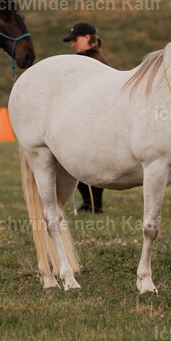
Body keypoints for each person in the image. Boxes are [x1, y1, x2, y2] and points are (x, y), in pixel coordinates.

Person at [63, 22, 109, 213]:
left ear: (87, 38)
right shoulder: (83, 60)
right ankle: (89, 203)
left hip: (93, 121)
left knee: (89, 165)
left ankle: (95, 206)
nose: (73, 44)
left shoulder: (96, 62)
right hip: (82, 120)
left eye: (76, 40)